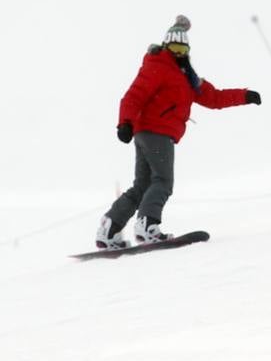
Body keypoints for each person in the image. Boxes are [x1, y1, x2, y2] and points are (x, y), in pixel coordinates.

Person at [95, 15, 262, 250]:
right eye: (174, 47)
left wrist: (245, 96)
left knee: (142, 185)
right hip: (156, 132)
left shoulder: (188, 77)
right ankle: (147, 225)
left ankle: (109, 228)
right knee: (163, 180)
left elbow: (214, 98)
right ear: (166, 46)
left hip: (151, 132)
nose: (178, 52)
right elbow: (134, 95)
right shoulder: (158, 66)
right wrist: (124, 123)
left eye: (183, 48)